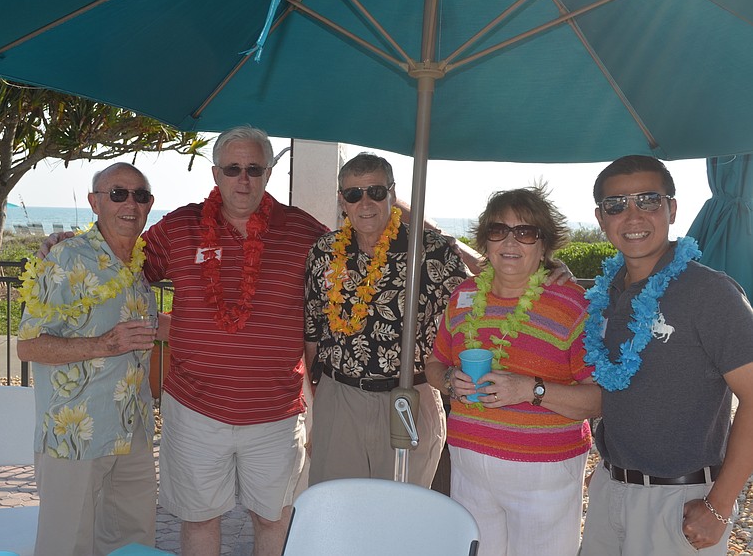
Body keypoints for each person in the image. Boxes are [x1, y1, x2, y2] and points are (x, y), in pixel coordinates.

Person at [141, 126, 328, 556]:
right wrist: (67, 247)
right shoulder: (180, 228)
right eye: (232, 169)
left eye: (254, 169)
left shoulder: (303, 231)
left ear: (268, 173)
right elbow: (123, 268)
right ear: (215, 174)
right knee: (199, 519)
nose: (243, 180)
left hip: (275, 412)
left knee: (274, 519)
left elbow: (351, 265)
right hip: (194, 409)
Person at [579, 155, 753, 555]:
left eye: (649, 200)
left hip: (681, 502)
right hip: (609, 488)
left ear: (672, 209)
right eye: (616, 205)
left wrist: (720, 505)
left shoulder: (710, 293)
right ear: (601, 218)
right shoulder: (606, 294)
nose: (633, 215)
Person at [425, 185, 600, 556]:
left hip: (544, 473)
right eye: (498, 230)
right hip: (470, 467)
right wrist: (449, 381)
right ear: (485, 241)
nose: (509, 241)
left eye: (525, 232)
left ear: (544, 244)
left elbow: (599, 399)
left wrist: (529, 389)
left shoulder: (573, 305)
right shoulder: (463, 297)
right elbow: (434, 365)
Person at [304, 152, 471, 487]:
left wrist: (549, 268)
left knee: (400, 508)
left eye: (376, 192)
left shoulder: (430, 250)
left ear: (392, 194)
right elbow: (313, 330)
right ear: (342, 201)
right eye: (354, 194)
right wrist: (316, 399)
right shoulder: (324, 251)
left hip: (409, 395)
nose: (365, 203)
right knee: (337, 504)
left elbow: (477, 303)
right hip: (340, 398)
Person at [17, 163, 158, 556]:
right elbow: (29, 346)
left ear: (150, 205)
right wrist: (104, 344)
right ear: (95, 202)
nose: (130, 203)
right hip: (75, 436)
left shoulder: (138, 263)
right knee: (66, 546)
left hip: (132, 429)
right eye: (118, 194)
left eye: (140, 195)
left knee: (134, 543)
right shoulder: (65, 257)